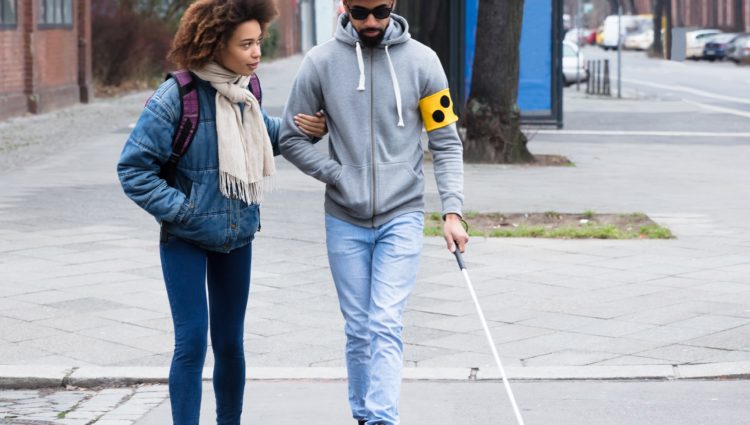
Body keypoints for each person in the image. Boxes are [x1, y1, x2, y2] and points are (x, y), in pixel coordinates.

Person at [116, 1, 327, 424]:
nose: (256, 53)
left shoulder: (245, 91)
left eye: (258, 42)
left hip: (236, 236)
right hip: (185, 239)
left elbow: (263, 134)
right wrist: (184, 210)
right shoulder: (176, 97)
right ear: (215, 45)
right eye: (246, 44)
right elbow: (133, 169)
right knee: (191, 343)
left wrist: (301, 130)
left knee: (230, 343)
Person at [279, 1, 469, 424]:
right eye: (361, 11)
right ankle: (364, 414)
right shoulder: (320, 62)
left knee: (384, 321)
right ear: (345, 6)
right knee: (359, 328)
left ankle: (382, 418)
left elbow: (445, 141)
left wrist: (452, 211)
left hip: (402, 213)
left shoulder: (423, 61)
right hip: (344, 217)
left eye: (380, 11)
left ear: (393, 5)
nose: (370, 22)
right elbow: (291, 138)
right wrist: (336, 173)